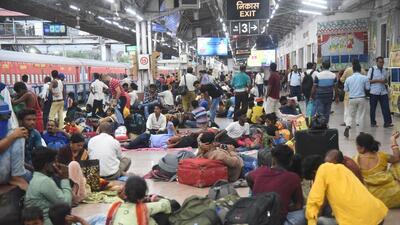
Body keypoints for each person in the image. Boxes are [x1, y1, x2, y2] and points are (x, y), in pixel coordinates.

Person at [303, 155, 387, 225]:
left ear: (314, 172)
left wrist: (311, 221)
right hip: (378, 216)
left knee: (320, 220)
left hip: (359, 222)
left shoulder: (322, 170)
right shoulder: (341, 168)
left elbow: (314, 200)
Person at [247, 145, 305, 225]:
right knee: (305, 213)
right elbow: (298, 206)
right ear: (291, 161)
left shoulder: (260, 171)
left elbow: (248, 177)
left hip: (255, 216)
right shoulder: (294, 177)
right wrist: (283, 208)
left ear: (273, 160)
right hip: (277, 220)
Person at [24, 147, 73, 225]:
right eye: (55, 162)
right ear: (47, 165)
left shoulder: (37, 178)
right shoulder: (44, 181)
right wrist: (65, 178)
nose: (57, 164)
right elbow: (66, 205)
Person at [354, 132, 400, 208]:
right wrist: (393, 140)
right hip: (393, 194)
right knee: (397, 163)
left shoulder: (355, 160)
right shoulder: (382, 156)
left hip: (370, 198)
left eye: (357, 145)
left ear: (362, 148)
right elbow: (397, 157)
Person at [343, 59, 370, 138]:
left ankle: (348, 126)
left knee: (350, 114)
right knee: (361, 115)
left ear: (353, 69)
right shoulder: (364, 78)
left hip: (351, 98)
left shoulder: (348, 79)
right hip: (361, 98)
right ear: (360, 69)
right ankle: (361, 132)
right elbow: (368, 88)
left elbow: (345, 90)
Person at [339, 61, 366, 127]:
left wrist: (346, 82)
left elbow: (342, 79)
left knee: (347, 109)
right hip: (361, 93)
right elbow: (366, 80)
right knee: (359, 110)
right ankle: (358, 123)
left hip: (349, 94)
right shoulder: (362, 70)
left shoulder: (348, 70)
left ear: (352, 64)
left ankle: (346, 123)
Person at [368, 56, 393, 128]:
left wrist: (385, 81)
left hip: (383, 92)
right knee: (373, 108)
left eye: (382, 62)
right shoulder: (372, 69)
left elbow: (386, 80)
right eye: (380, 62)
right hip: (374, 92)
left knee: (386, 107)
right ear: (376, 62)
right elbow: (368, 80)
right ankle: (373, 123)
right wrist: (378, 80)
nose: (381, 64)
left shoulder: (385, 70)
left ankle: (387, 122)